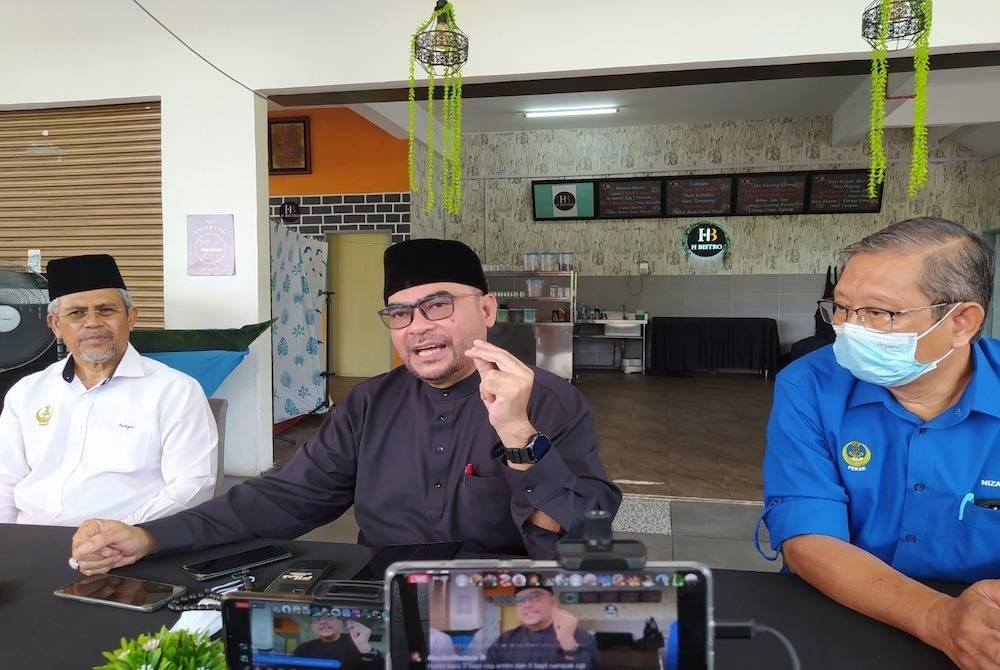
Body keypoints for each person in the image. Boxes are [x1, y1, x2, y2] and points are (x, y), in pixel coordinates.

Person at [70, 239, 620, 572]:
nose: (419, 327)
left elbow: (577, 530)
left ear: (488, 309)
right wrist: (151, 535)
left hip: (500, 595)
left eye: (438, 306)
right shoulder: (370, 402)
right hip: (380, 591)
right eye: (399, 313)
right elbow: (287, 498)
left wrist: (519, 433)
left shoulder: (547, 399)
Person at [760, 217, 1000, 668]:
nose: (849, 329)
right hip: (841, 605)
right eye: (842, 308)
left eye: (879, 313)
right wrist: (939, 618)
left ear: (962, 321)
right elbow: (808, 536)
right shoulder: (809, 386)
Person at [0, 254, 217, 525]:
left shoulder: (175, 391)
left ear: (131, 318)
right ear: (56, 325)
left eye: (106, 310)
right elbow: (5, 480)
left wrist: (124, 534)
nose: (93, 323)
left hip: (126, 547)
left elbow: (193, 485)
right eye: (76, 313)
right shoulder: (27, 393)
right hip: (29, 541)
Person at [485, 581, 599, 669]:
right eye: (520, 600)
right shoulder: (506, 639)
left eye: (535, 597)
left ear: (553, 602)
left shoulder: (581, 637)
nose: (527, 604)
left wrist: (568, 643)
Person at [293, 611, 381, 668]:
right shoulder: (304, 648)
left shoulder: (355, 640)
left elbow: (380, 666)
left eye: (328, 617)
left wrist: (364, 647)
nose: (323, 622)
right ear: (312, 627)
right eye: (316, 619)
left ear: (340, 623)